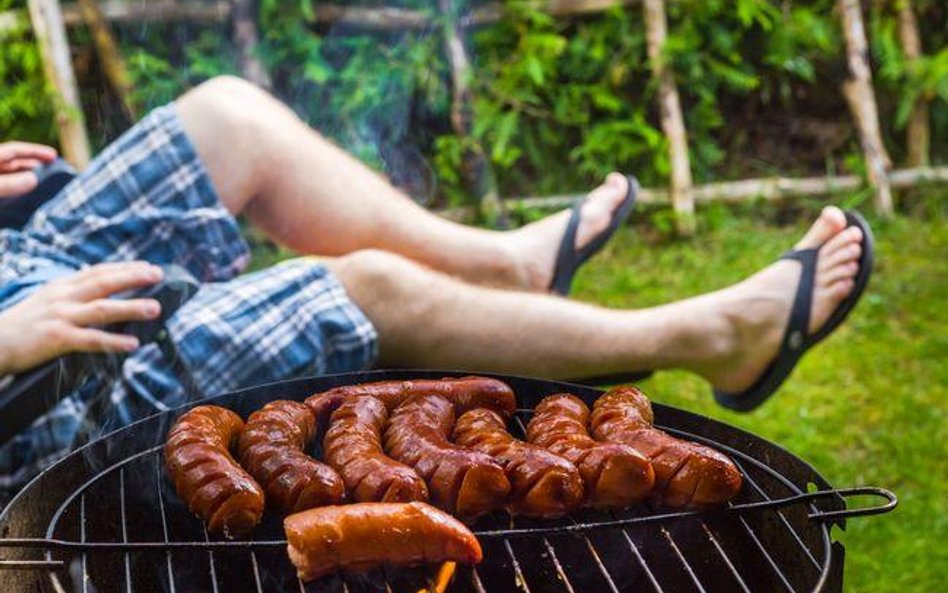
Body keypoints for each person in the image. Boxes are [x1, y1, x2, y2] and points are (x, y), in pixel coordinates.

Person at [0, 76, 868, 501]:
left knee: (231, 117)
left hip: (18, 260)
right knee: (363, 290)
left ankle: (505, 268)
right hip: (35, 394)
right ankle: (709, 336)